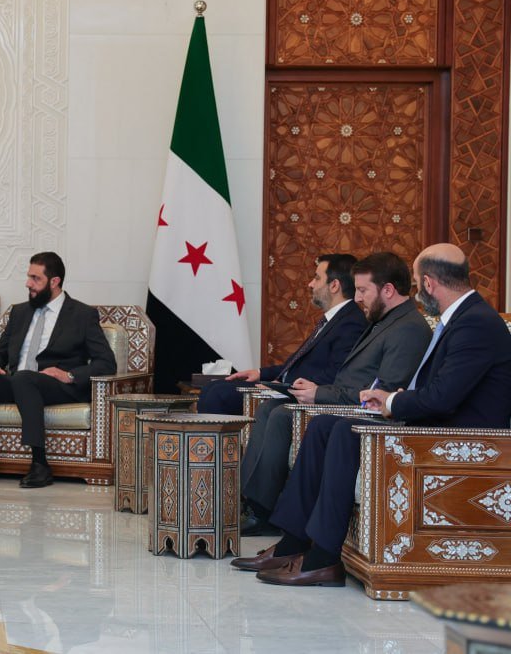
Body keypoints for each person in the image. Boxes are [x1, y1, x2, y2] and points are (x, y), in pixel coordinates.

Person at [232, 244, 511, 586]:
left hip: (464, 442)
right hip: (435, 425)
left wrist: (391, 401)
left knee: (343, 431)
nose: (416, 292)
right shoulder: (464, 318)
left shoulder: (475, 323)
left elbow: (442, 398)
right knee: (324, 426)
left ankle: (323, 558)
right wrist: (391, 399)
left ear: (428, 283)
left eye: (416, 283)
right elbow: (438, 390)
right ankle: (294, 543)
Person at [238, 252, 430, 535]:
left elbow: (383, 395)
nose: (357, 298)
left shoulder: (408, 329)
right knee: (271, 408)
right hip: (343, 402)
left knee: (283, 415)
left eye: (363, 290)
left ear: (388, 290)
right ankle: (254, 505)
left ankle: (268, 515)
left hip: (363, 416)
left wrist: (320, 394)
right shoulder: (384, 320)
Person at [0, 251, 117, 489]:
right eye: (28, 277)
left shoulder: (82, 315)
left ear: (54, 281)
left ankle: (40, 464)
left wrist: (69, 375)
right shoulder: (20, 312)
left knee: (24, 379)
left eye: (35, 279)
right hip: (19, 381)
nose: (28, 283)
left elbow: (106, 363)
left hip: (56, 386)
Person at [197, 254, 365, 416]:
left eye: (317, 278)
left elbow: (335, 373)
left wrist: (282, 386)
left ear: (334, 285)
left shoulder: (351, 322)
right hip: (283, 388)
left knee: (218, 393)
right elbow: (295, 366)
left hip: (298, 394)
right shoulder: (333, 319)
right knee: (211, 387)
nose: (310, 284)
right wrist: (260, 373)